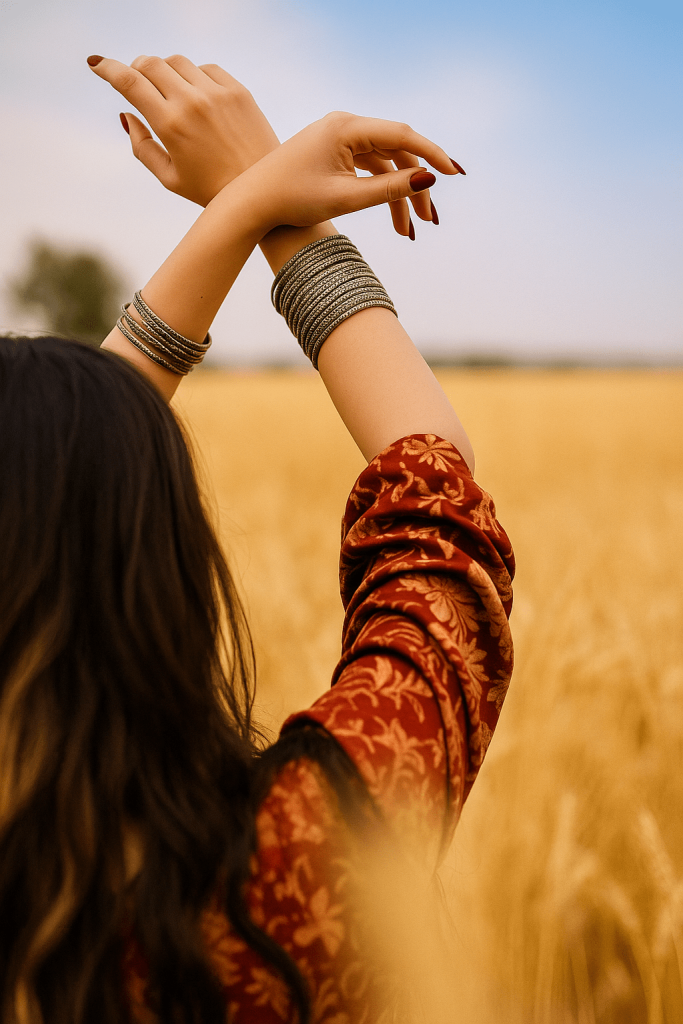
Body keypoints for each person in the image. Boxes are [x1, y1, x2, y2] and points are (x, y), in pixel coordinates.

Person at [0, 53, 514, 1024]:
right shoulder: (289, 875)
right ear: (162, 574)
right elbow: (436, 491)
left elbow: (42, 488)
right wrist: (259, 205)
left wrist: (247, 203)